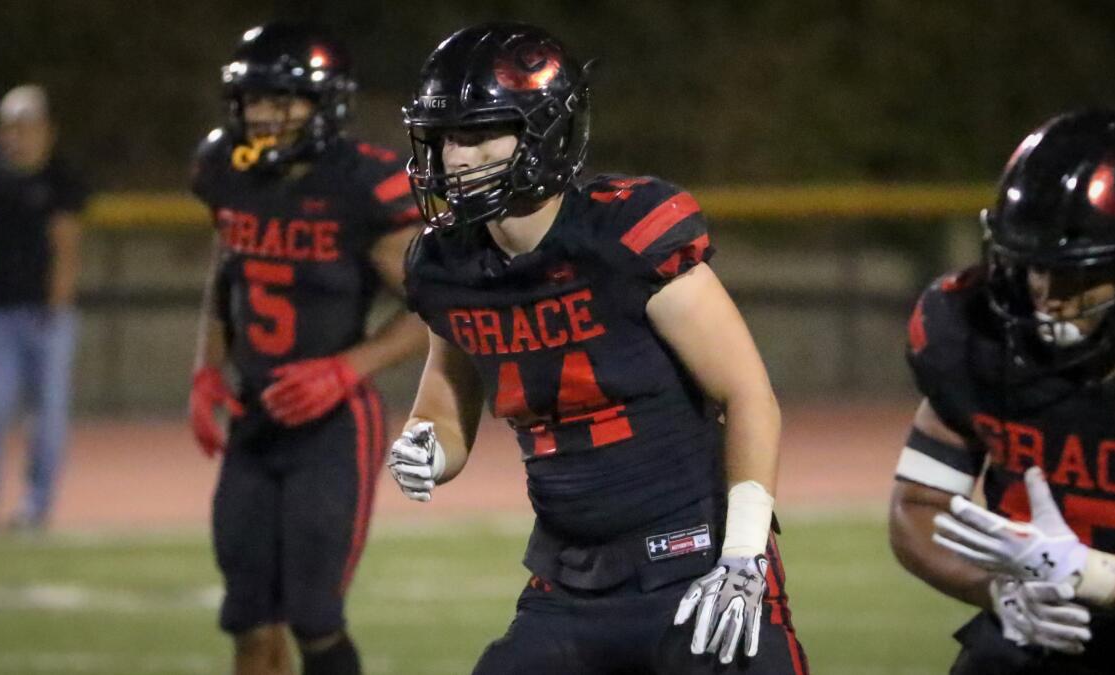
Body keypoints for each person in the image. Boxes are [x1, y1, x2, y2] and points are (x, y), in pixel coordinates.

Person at [387, 22, 808, 674]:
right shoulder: (447, 266)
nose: (453, 159)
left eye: (476, 135)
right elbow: (444, 410)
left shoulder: (626, 235)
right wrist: (425, 449)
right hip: (569, 580)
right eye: (444, 138)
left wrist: (744, 552)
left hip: (694, 563)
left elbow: (747, 392)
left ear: (541, 131)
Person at [187, 20, 425, 675]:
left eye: (282, 100)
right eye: (254, 99)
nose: (263, 115)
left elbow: (439, 306)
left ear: (324, 105)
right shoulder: (224, 172)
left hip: (332, 426)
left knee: (315, 617)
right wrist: (207, 371)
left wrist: (348, 367)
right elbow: (226, 269)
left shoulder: (361, 187)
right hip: (255, 418)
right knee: (246, 617)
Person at [889, 109, 1115, 674]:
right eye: (1031, 265)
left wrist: (1094, 577)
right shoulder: (977, 337)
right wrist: (1001, 594)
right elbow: (918, 506)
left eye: (1076, 274)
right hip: (1036, 635)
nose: (1045, 294)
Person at [0, 84, 85, 532]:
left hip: (46, 316)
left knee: (47, 419)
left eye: (27, 126)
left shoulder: (60, 178)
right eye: (11, 126)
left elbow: (67, 245)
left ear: (47, 131)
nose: (18, 135)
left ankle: (36, 506)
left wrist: (57, 304)